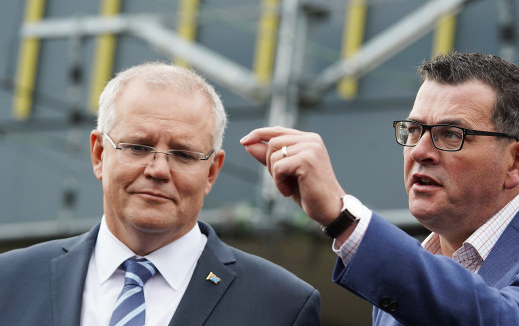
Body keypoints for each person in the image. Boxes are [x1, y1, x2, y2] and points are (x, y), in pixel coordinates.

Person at [241, 52, 519, 325]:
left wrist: (345, 220)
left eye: (451, 134)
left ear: (517, 162)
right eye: (414, 130)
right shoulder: (403, 281)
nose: (420, 151)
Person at [0, 62, 320, 326]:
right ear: (99, 154)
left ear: (211, 172)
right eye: (138, 147)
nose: (158, 170)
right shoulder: (10, 281)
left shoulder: (281, 307)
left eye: (183, 154)